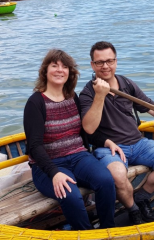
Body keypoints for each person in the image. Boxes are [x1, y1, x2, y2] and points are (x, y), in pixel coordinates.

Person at [79, 41, 154, 225]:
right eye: (100, 62)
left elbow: (151, 107)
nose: (105, 66)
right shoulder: (87, 93)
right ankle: (134, 210)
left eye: (109, 61)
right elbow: (89, 128)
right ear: (92, 65)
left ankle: (141, 197)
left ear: (116, 61)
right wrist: (100, 95)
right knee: (117, 175)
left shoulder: (126, 83)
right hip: (109, 148)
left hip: (138, 143)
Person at [23, 49, 116, 230]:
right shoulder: (35, 103)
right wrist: (54, 173)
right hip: (48, 166)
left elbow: (84, 131)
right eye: (54, 66)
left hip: (78, 157)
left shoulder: (73, 97)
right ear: (45, 71)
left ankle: (108, 231)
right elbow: (34, 146)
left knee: (106, 181)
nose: (60, 70)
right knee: (70, 195)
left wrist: (106, 141)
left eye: (65, 67)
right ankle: (86, 234)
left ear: (70, 73)